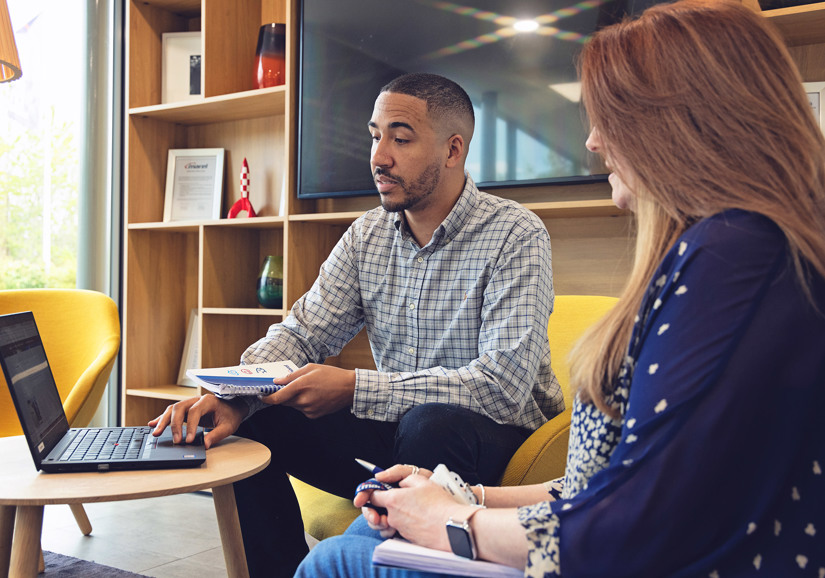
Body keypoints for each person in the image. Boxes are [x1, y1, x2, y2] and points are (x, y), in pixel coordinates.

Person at [293, 1, 825, 576]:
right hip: (569, 522)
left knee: (337, 558)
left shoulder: (733, 257)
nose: (593, 142)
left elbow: (636, 522)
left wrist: (456, 525)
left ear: (680, 122)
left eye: (609, 115)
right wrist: (459, 498)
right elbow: (601, 487)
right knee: (274, 433)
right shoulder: (729, 253)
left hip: (580, 536)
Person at [149, 72, 563, 577]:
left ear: (453, 150)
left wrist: (353, 388)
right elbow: (302, 333)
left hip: (499, 444)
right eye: (375, 136)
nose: (379, 155)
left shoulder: (516, 234)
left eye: (400, 137)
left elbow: (502, 390)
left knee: (429, 424)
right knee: (249, 421)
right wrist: (235, 391)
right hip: (397, 436)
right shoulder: (367, 234)